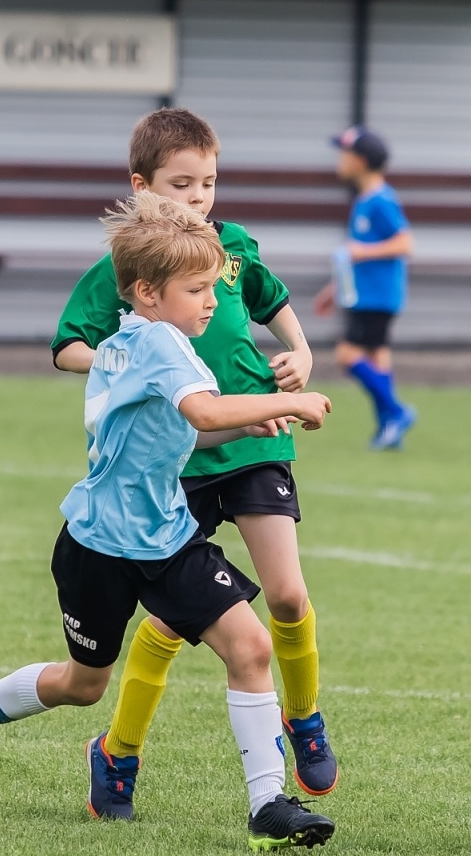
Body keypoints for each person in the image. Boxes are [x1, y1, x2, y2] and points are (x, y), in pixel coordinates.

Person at [0, 192, 338, 851]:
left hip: (164, 534)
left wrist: (245, 421)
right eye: (197, 288)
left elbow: (169, 431)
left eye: (213, 286)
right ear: (147, 292)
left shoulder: (137, 343)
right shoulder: (158, 346)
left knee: (251, 646)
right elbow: (203, 414)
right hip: (100, 541)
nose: (212, 300)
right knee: (82, 684)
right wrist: (288, 400)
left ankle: (268, 805)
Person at [52, 109, 339, 817]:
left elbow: (276, 304)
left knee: (288, 596)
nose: (199, 199)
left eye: (208, 183)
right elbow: (68, 346)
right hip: (181, 453)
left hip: (256, 436)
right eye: (183, 184)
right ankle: (117, 752)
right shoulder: (127, 267)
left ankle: (302, 719)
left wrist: (300, 352)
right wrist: (126, 368)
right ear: (143, 186)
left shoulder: (233, 246)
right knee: (177, 618)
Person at [313, 125, 415, 450]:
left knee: (347, 355)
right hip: (367, 295)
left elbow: (405, 243)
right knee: (378, 357)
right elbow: (352, 258)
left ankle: (397, 412)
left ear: (360, 160)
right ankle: (389, 428)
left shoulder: (381, 201)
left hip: (377, 296)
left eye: (344, 154)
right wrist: (333, 290)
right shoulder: (365, 200)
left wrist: (362, 251)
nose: (339, 161)